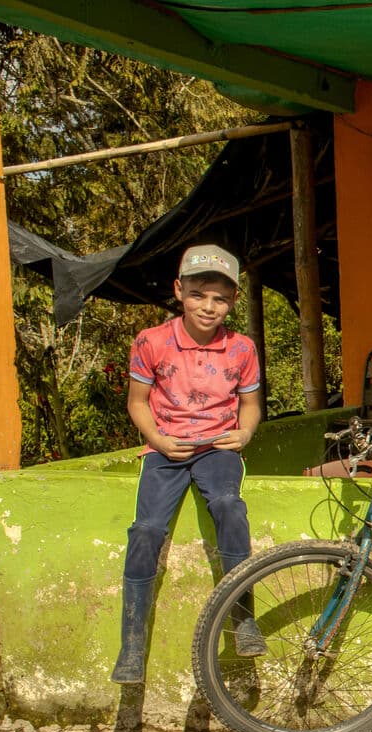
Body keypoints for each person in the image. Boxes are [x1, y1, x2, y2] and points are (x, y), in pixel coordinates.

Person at [112, 243, 263, 684]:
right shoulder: (151, 341)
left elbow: (251, 405)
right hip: (165, 451)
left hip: (217, 449)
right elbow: (137, 402)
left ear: (232, 300)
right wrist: (157, 438)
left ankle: (243, 620)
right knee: (145, 531)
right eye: (198, 294)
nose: (208, 306)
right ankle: (132, 647)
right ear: (179, 291)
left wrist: (245, 432)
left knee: (229, 507)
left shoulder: (242, 349)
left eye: (219, 298)